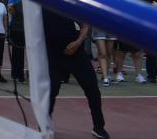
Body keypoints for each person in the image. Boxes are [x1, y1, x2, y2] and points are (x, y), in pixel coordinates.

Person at [43, 9, 109, 139]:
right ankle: (44, 124)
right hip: (53, 55)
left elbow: (85, 25)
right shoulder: (42, 6)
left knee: (93, 91)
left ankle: (98, 127)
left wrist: (78, 42)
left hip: (77, 54)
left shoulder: (71, 4)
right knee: (51, 91)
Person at [7, 0, 26, 83]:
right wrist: (19, 6)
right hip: (16, 27)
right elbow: (11, 10)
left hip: (27, 27)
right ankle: (17, 73)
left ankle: (23, 73)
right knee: (17, 51)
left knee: (25, 52)